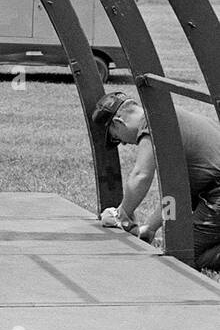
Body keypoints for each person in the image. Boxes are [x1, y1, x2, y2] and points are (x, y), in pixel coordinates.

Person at [94, 92, 220, 271]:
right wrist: (150, 228)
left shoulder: (152, 123)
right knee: (179, 242)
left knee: (186, 255)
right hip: (212, 192)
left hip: (216, 195)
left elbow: (141, 175)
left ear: (118, 123)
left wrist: (120, 214)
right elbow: (176, 195)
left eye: (115, 137)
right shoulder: (168, 116)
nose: (122, 143)